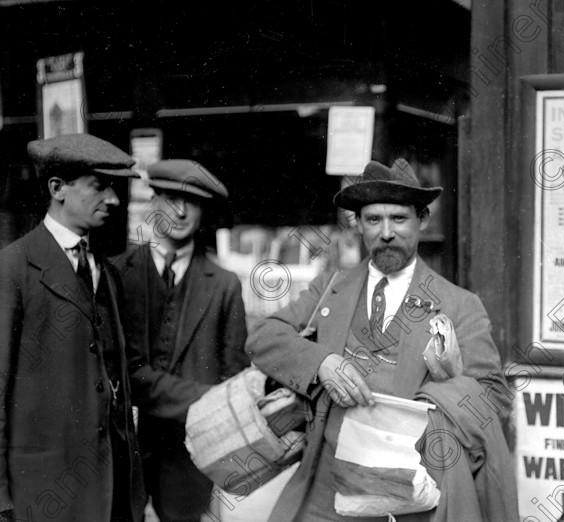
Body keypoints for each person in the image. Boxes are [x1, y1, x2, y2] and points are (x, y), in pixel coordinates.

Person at [247, 158, 517, 521]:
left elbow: (494, 395)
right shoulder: (330, 287)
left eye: (399, 219)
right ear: (357, 225)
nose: (386, 233)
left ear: (422, 220)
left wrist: (432, 402)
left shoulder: (460, 305)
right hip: (328, 494)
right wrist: (321, 363)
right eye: (374, 220)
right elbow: (264, 336)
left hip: (413, 499)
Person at [0, 133, 146, 522]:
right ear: (57, 188)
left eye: (113, 188)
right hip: (44, 491)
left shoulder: (107, 273)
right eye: (99, 187)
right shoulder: (14, 267)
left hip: (109, 490)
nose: (113, 200)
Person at [117, 159, 249, 522]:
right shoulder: (117, 274)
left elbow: (233, 379)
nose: (179, 210)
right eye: (171, 197)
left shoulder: (224, 285)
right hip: (124, 448)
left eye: (191, 201)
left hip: (188, 455)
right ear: (152, 201)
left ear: (203, 211)